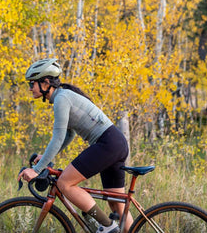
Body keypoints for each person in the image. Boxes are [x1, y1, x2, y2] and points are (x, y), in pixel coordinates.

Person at [17, 58, 133, 233]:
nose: (30, 87)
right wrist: (47, 157)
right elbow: (69, 135)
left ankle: (107, 227)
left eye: (32, 83)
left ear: (46, 83)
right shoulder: (63, 96)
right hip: (115, 143)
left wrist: (37, 169)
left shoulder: (61, 99)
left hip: (107, 144)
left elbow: (58, 137)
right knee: (116, 205)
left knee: (65, 184)